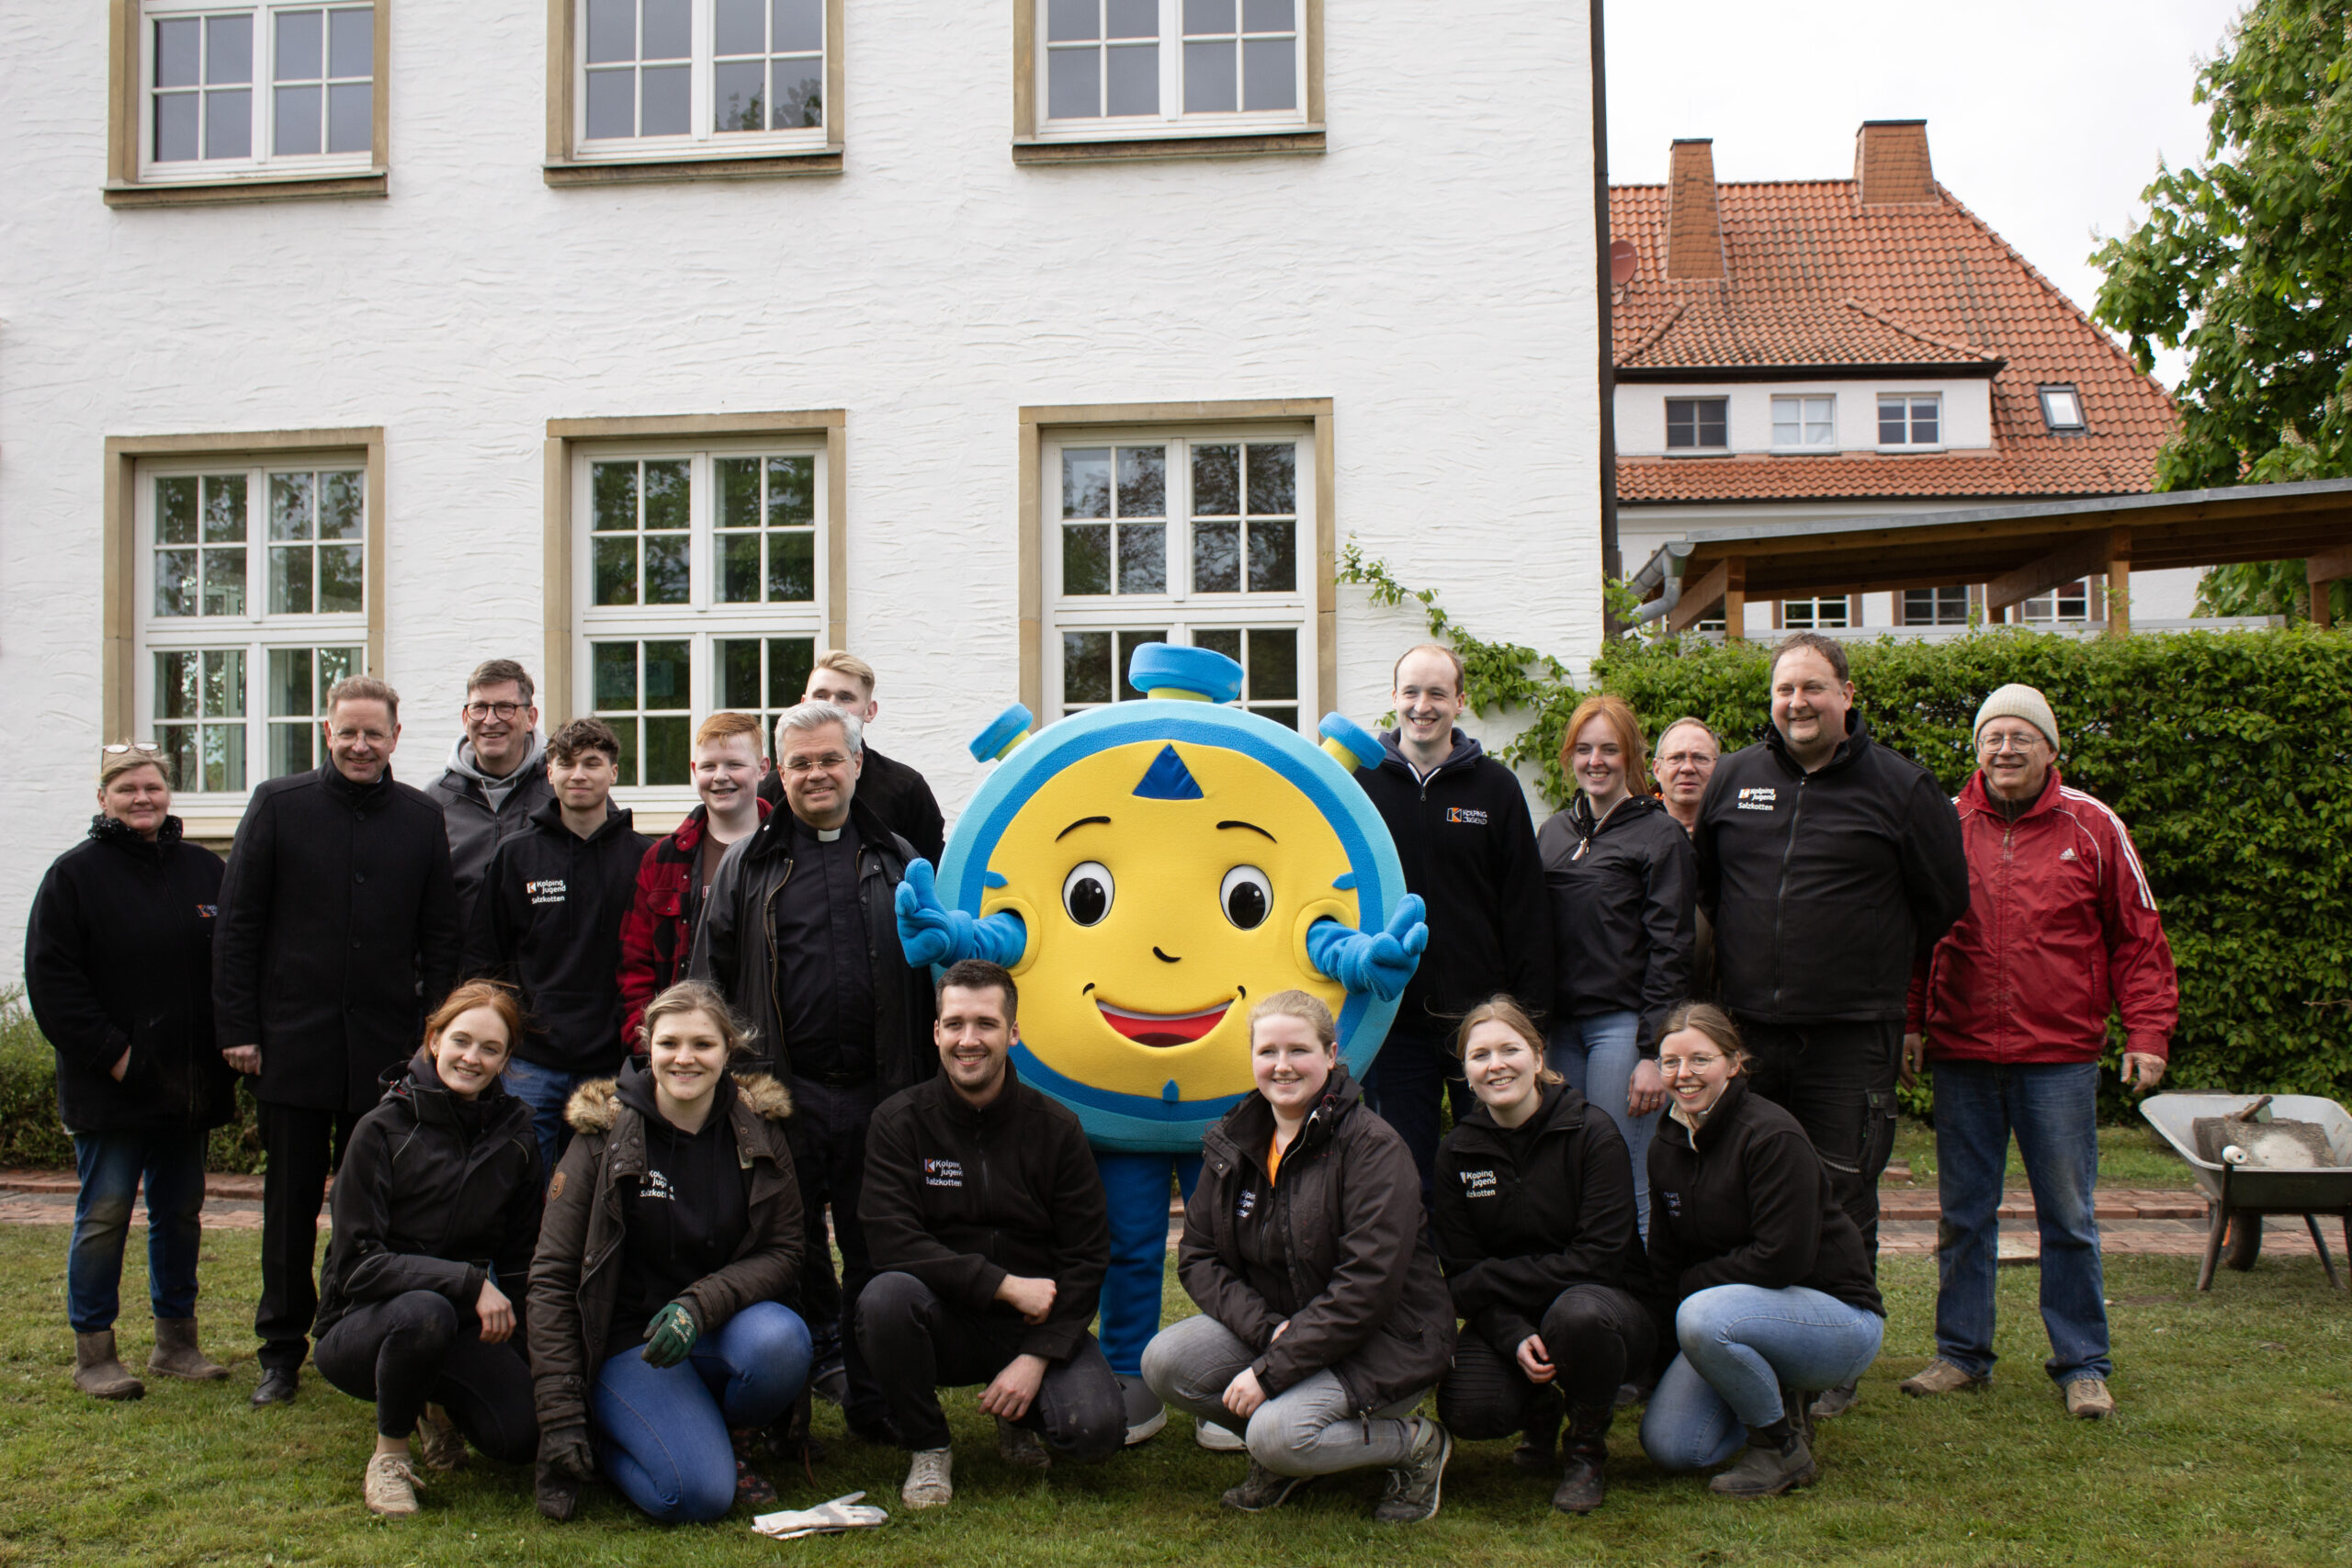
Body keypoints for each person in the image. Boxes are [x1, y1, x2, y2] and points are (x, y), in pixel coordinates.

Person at [1692, 631, 1966, 1418]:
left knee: (1844, 1195)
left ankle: (1837, 1355)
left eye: (1814, 688)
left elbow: (1943, 900)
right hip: (1751, 1035)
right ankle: (1755, 1339)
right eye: (1785, 690)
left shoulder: (1903, 788)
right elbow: (1708, 888)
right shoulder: (1736, 779)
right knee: (1749, 1193)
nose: (1798, 704)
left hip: (1850, 1037)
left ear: (1848, 696)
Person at [1900, 683, 2178, 1422]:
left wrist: (2147, 1032)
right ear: (1978, 748)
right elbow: (1917, 934)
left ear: (2051, 748)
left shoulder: (2091, 825)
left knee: (2068, 1214)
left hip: (2058, 1056)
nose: (2006, 749)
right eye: (1993, 736)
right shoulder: (1948, 824)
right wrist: (1911, 1023)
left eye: (2023, 736)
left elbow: (2138, 936)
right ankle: (1961, 1352)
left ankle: (2082, 1362)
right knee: (1963, 1212)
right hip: (1963, 1052)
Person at [691, 701, 935, 1445]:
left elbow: (935, 975)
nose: (816, 774)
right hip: (780, 1099)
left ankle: (874, 1400)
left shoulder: (900, 860)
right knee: (784, 1258)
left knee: (876, 1253)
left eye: (830, 759)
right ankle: (783, 1412)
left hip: (881, 1096)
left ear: (858, 763)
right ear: (777, 771)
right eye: (799, 763)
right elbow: (708, 985)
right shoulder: (747, 864)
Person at [214, 676, 462, 1407]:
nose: (360, 745)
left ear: (395, 736)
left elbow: (440, 935)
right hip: (291, 1044)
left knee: (371, 1210)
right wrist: (237, 1029)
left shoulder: (421, 817)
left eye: (373, 733)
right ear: (327, 731)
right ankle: (279, 1350)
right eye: (348, 732)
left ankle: (348, 1327)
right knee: (288, 1208)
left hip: (385, 1052)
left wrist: (434, 1037)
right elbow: (237, 927)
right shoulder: (279, 804)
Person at [1143, 991, 1457, 1524]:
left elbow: (1367, 1287)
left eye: (1299, 1050)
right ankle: (1286, 1455)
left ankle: (1415, 1443)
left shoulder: (1373, 1149)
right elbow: (1197, 1257)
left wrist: (1269, 1373)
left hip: (1384, 1342)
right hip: (1286, 1331)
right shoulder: (1233, 1141)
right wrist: (1269, 1334)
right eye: (1268, 1052)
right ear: (1252, 1059)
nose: (1282, 1066)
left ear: (1331, 1054)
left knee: (1275, 1434)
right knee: (1165, 1362)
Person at [528, 981, 810, 1525]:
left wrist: (698, 1306)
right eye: (669, 1043)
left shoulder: (760, 1131)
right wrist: (561, 1416)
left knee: (781, 1341)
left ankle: (729, 1437)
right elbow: (552, 1277)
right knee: (697, 1496)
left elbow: (784, 1249)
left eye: (703, 1044)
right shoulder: (600, 1136)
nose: (685, 1058)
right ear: (646, 1046)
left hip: (717, 1329)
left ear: (729, 1050)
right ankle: (611, 1439)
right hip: (629, 1344)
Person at [858, 960, 1123, 1508]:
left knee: (1094, 1431)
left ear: (1014, 1032)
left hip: (1033, 1324)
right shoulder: (898, 1122)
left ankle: (1020, 1416)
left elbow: (1087, 1254)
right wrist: (1003, 1284)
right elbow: (891, 1241)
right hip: (943, 1318)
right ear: (936, 1032)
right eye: (954, 1024)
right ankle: (929, 1448)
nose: (968, 1040)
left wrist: (1036, 1358)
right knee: (884, 1298)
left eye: (985, 1024)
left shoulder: (1057, 1128)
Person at [26, 743, 237, 1401]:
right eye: (127, 789)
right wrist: (115, 1055)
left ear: (168, 794)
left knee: (180, 1212)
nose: (142, 798)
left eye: (152, 787)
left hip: (187, 1085)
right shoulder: (74, 877)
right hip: (111, 1085)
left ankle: (177, 1342)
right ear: (103, 799)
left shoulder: (206, 870)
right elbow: (52, 982)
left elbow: (232, 963)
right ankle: (95, 1351)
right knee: (106, 1211)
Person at [312, 982, 543, 1517]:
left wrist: (531, 1363)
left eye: (491, 1048)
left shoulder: (518, 1138)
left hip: (459, 1322)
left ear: (506, 1059)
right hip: (362, 1324)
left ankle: (434, 1406)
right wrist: (467, 1282)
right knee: (424, 1311)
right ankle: (389, 1456)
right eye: (461, 1040)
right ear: (434, 1040)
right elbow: (356, 1267)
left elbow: (521, 1261)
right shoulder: (379, 1130)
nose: (472, 1057)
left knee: (520, 1437)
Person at [1637, 1004, 1885, 1498]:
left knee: (1702, 1316)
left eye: (1700, 1060)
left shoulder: (1772, 1135)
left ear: (1734, 1063)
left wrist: (1689, 1289)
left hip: (1835, 1320)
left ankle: (1779, 1448)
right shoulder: (1667, 1143)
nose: (1683, 1075)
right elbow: (1665, 1263)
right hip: (1732, 1314)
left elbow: (1782, 1259)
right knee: (1672, 1447)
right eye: (1669, 1062)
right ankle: (1773, 1395)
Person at [1431, 998, 1653, 1515]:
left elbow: (1598, 1261)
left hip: (1608, 1315)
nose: (1496, 1064)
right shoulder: (1457, 1152)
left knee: (1577, 1313)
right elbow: (1460, 1278)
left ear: (1537, 1054)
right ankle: (1540, 1410)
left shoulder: (1592, 1132)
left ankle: (1586, 1450)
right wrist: (1511, 1332)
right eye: (1480, 1054)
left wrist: (1492, 1279)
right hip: (1515, 1318)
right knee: (1470, 1409)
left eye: (1509, 1049)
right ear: (1464, 1070)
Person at [1357, 644, 1553, 1197]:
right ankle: (1418, 1281)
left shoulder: (1494, 787)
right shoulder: (1362, 785)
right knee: (1405, 1175)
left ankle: (1489, 1279)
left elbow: (1526, 909)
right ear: (1394, 698)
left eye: (1437, 693)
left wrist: (1530, 1021)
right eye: (1412, 692)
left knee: (1494, 1167)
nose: (1424, 705)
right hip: (1391, 1022)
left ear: (1459, 701)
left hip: (1483, 1021)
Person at [1535, 696, 1693, 1239]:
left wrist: (1654, 1052)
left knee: (1625, 1172)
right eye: (1584, 749)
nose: (1595, 761)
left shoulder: (1660, 835)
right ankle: (1587, 1305)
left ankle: (1642, 1311)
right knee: (1570, 1172)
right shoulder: (1555, 833)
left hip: (1622, 1030)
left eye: (1609, 748)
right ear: (1569, 757)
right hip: (1560, 1032)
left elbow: (1672, 947)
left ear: (1632, 756)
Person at [465, 718, 650, 1174]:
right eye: (566, 763)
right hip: (532, 1063)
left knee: (603, 1190)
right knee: (522, 1185)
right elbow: (485, 958)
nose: (578, 774)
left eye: (592, 763)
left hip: (612, 1062)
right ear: (549, 772)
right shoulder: (516, 854)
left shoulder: (645, 857)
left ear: (614, 772)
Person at [616, 710, 772, 1060]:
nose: (721, 777)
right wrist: (647, 1040)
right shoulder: (662, 859)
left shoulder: (790, 851)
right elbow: (635, 964)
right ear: (693, 771)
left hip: (768, 1048)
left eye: (734, 764)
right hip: (684, 1052)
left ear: (763, 768)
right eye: (709, 766)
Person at [757, 650, 945, 864]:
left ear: (870, 711)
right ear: (803, 702)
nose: (831, 705)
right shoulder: (771, 790)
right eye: (820, 695)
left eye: (846, 697)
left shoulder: (906, 788)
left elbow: (934, 875)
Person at [428, 660, 555, 931]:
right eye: (480, 708)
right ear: (465, 718)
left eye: (505, 708)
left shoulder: (561, 794)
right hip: (462, 970)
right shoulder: (435, 802)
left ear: (531, 718)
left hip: (545, 970)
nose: (490, 719)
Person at [1654, 717, 1721, 838]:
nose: (1688, 768)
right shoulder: (1634, 835)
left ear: (1718, 768)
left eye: (1700, 758)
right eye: (1676, 758)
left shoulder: (1735, 835)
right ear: (1657, 770)